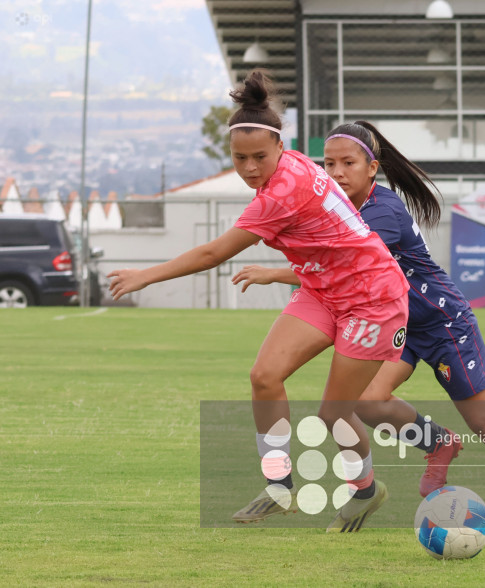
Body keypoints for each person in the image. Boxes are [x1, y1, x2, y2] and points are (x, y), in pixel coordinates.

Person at [108, 72, 410, 533]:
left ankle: (366, 490)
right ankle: (278, 485)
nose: (249, 167)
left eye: (259, 157)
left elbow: (214, 253)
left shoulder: (282, 192)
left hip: (373, 299)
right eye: (239, 157)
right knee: (264, 376)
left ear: (279, 149)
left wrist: (144, 276)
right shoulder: (292, 167)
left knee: (333, 414)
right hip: (324, 289)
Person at [232, 121, 485, 527]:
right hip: (393, 320)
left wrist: (275, 273)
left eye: (348, 162)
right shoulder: (336, 205)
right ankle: (436, 442)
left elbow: (337, 263)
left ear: (372, 168)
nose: (337, 172)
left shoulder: (382, 210)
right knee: (366, 402)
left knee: (484, 421)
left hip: (442, 321)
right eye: (330, 163)